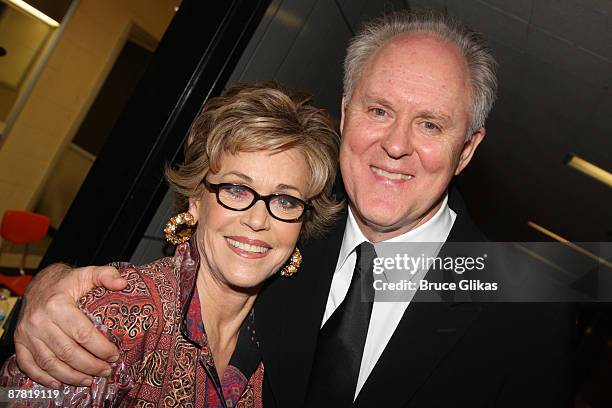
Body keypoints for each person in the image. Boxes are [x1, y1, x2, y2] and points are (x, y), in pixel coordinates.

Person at [12, 10, 572, 407]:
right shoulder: (286, 236)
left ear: (466, 149)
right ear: (348, 110)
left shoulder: (525, 306)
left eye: (429, 124)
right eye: (378, 110)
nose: (396, 144)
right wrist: (46, 289)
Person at [1, 83, 342, 406]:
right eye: (236, 190)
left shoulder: (285, 340)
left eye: (284, 200)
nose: (257, 220)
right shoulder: (120, 315)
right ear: (196, 199)